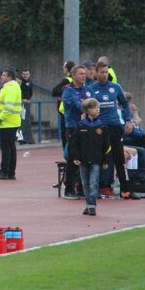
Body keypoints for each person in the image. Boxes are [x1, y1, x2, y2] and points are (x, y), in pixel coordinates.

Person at [92, 62, 138, 200]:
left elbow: (124, 103)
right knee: (98, 158)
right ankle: (97, 188)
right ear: (96, 73)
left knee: (119, 159)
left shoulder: (115, 87)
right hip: (98, 127)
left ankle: (126, 190)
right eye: (101, 72)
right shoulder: (91, 89)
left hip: (114, 126)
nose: (104, 75)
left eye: (106, 72)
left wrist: (128, 120)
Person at [70, 98, 110, 216]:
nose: (97, 110)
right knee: (85, 184)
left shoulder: (102, 126)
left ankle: (92, 205)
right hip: (83, 159)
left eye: (98, 108)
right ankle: (88, 204)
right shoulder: (81, 125)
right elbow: (74, 143)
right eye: (94, 108)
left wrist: (105, 160)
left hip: (97, 159)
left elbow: (107, 145)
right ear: (87, 110)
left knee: (93, 183)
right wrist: (76, 157)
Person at [62, 65, 92, 198]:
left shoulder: (88, 89)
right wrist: (87, 106)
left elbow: (94, 104)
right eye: (81, 74)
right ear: (74, 75)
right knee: (73, 157)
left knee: (86, 157)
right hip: (73, 127)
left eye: (85, 73)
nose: (84, 76)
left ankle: (81, 187)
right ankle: (69, 188)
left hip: (87, 126)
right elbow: (79, 105)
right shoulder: (68, 91)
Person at [0, 69, 22, 180]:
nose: (1, 77)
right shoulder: (12, 87)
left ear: (9, 77)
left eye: (4, 75)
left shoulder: (10, 88)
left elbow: (9, 106)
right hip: (10, 122)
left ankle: (4, 171)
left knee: (6, 148)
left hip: (7, 122)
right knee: (10, 147)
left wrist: (0, 118)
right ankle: (10, 172)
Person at [18, 69, 35, 144]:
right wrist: (21, 99)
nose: (25, 75)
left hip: (27, 104)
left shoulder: (30, 82)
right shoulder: (19, 82)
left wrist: (28, 99)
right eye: (24, 74)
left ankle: (27, 139)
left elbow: (31, 92)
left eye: (26, 74)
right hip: (20, 104)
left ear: (29, 75)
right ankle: (21, 139)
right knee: (22, 121)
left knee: (26, 121)